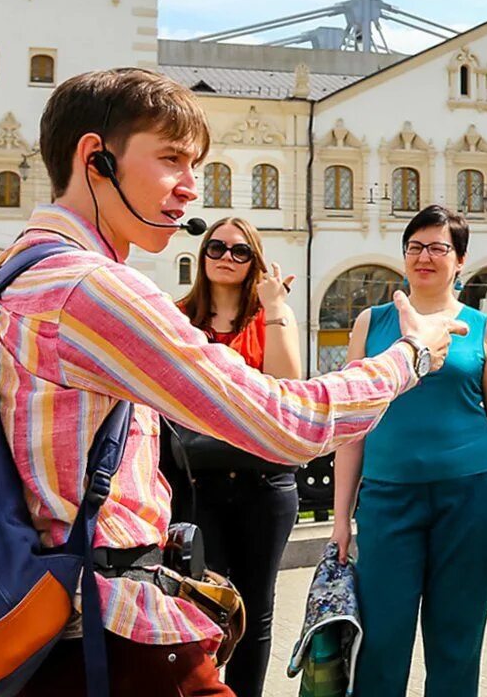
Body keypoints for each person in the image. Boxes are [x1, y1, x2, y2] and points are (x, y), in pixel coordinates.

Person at [0, 68, 465, 697]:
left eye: (197, 166)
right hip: (103, 619)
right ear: (95, 157)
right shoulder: (90, 289)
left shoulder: (17, 264)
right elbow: (287, 423)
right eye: (172, 160)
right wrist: (412, 354)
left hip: (45, 604)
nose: (190, 190)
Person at [328, 205, 487, 697]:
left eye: (438, 248)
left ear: (459, 261)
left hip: (471, 499)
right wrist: (339, 521)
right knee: (381, 641)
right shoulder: (370, 324)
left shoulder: (483, 330)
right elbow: (351, 428)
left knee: (456, 645)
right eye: (415, 246)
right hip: (388, 499)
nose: (425, 256)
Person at [169, 216, 302, 697]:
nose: (227, 257)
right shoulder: (177, 317)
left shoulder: (266, 318)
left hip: (263, 486)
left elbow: (289, 385)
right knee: (200, 603)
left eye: (241, 251)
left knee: (255, 610)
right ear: (203, 256)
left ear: (255, 262)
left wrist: (275, 306)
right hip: (196, 482)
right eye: (217, 248)